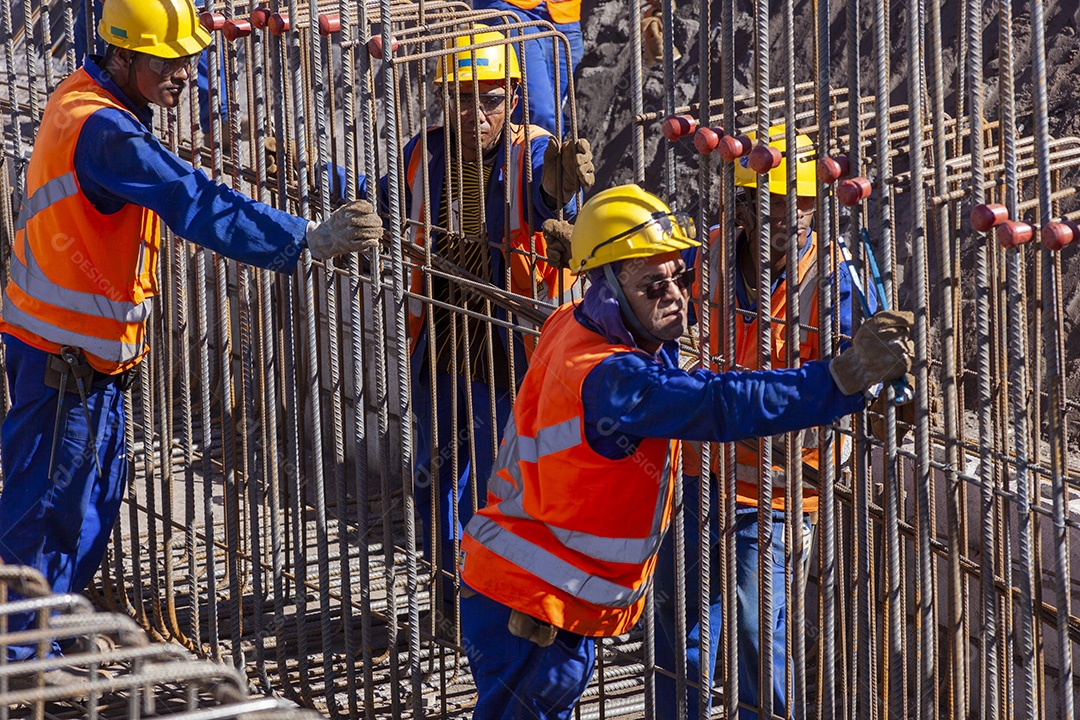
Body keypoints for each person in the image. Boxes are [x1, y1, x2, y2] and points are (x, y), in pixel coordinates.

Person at [0, 0, 379, 668]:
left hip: (86, 360)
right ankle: (20, 662)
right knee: (41, 518)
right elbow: (194, 200)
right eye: (169, 62)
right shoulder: (104, 133)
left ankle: (46, 641)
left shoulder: (93, 97)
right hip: (60, 363)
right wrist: (304, 240)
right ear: (124, 55)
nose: (185, 76)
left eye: (191, 61)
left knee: (85, 511)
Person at [455, 183, 913, 719]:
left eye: (679, 277)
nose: (676, 296)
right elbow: (717, 404)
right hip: (535, 603)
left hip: (532, 587)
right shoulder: (617, 380)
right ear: (610, 291)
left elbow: (654, 339)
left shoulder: (572, 322)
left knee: (752, 627)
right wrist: (842, 378)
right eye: (654, 286)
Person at [378, 29, 592, 634]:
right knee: (437, 478)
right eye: (463, 97)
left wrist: (560, 195)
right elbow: (395, 208)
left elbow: (553, 197)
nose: (476, 114)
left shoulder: (536, 153)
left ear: (515, 97)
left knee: (516, 485)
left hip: (513, 353)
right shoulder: (424, 152)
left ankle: (508, 599)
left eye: (491, 99)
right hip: (442, 342)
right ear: (444, 97)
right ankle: (451, 591)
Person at [653, 127, 867, 718]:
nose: (792, 223)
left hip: (778, 488)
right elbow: (667, 333)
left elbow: (844, 389)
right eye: (774, 207)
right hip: (702, 472)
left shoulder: (832, 281)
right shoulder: (711, 255)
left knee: (754, 628)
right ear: (742, 206)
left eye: (801, 210)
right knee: (680, 611)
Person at [470, 0, 584, 136]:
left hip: (565, 14)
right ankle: (528, 154)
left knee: (557, 116)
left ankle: (543, 151)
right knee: (538, 111)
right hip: (510, 6)